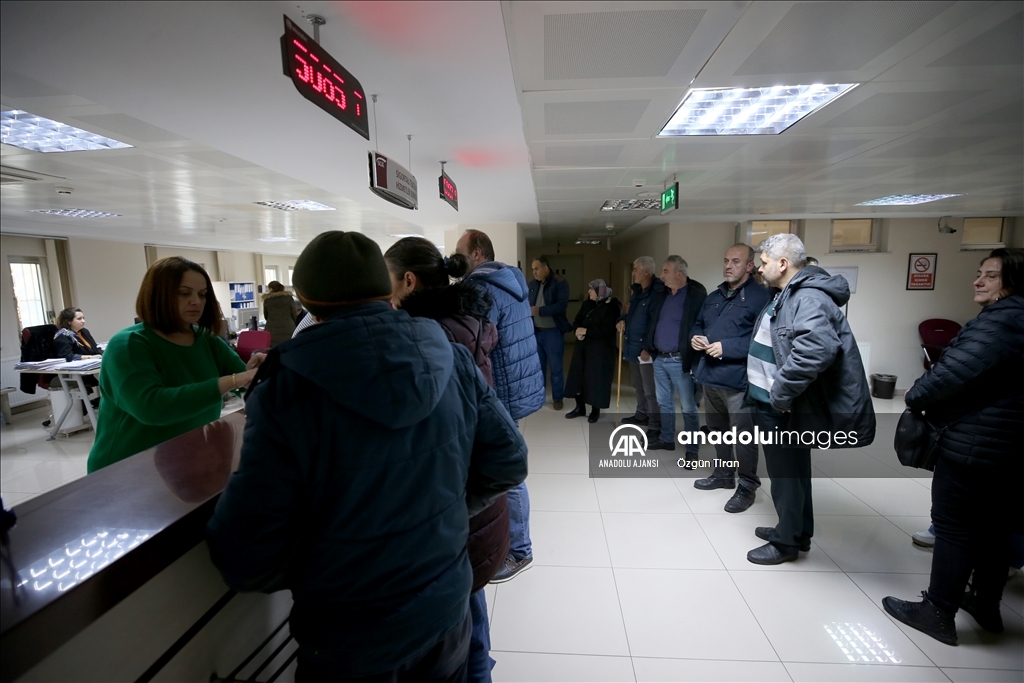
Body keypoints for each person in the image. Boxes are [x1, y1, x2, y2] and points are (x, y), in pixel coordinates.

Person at [207, 231, 528, 682]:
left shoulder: (288, 387)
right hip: (444, 611)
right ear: (387, 288)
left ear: (306, 300)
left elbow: (244, 551)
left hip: (350, 632)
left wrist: (320, 564)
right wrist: (447, 513)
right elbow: (509, 459)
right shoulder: (449, 356)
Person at [883, 248, 1023, 646]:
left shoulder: (999, 322)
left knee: (954, 526)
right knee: (996, 528)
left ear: (1011, 282)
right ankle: (985, 603)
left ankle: (938, 611)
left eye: (991, 276)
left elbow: (949, 375)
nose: (978, 281)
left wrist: (916, 394)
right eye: (980, 273)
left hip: (977, 443)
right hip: (1011, 446)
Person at [384, 236, 504, 683]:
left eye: (387, 282)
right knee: (470, 609)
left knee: (459, 629)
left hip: (452, 504)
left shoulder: (424, 340)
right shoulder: (466, 322)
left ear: (408, 281)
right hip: (475, 500)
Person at [745, 234, 874, 565]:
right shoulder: (787, 294)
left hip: (784, 405)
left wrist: (780, 393)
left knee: (786, 473)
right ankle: (796, 531)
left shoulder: (808, 298)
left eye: (763, 262)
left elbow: (816, 350)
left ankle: (786, 543)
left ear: (783, 264)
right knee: (794, 471)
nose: (759, 268)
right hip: (777, 402)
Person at [87, 257, 263, 473]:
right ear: (159, 295)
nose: (196, 301)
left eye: (202, 294)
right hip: (127, 468)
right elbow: (152, 407)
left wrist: (255, 370)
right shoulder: (129, 344)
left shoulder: (207, 340)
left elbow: (244, 382)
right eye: (184, 293)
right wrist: (234, 380)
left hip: (185, 459)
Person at [456, 229, 544, 583]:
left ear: (476, 253)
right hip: (518, 380)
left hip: (503, 386)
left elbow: (478, 339)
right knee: (506, 464)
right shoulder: (510, 281)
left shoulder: (481, 287)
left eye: (459, 251)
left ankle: (520, 550)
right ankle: (510, 540)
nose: (454, 257)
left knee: (508, 471)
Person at [689, 244, 771, 513]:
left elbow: (764, 340)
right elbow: (699, 323)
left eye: (736, 261)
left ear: (750, 266)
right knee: (718, 432)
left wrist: (728, 348)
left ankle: (747, 485)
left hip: (739, 381)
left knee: (743, 437)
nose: (728, 266)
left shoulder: (762, 298)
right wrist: (696, 337)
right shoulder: (714, 296)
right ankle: (723, 475)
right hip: (710, 377)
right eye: (726, 260)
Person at [642, 256, 708, 465]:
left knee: (688, 406)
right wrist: (647, 346)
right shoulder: (662, 295)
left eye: (665, 271)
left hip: (681, 360)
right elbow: (652, 321)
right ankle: (666, 438)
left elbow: (702, 326)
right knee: (664, 402)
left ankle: (692, 449)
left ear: (679, 275)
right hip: (659, 358)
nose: (661, 275)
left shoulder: (695, 296)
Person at [617, 257, 664, 435]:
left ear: (646, 272)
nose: (633, 272)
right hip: (633, 345)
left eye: (635, 269)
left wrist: (648, 347)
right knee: (638, 385)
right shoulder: (637, 291)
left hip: (646, 349)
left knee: (650, 389)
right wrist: (621, 320)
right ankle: (641, 413)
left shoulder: (657, 292)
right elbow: (630, 313)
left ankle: (655, 423)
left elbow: (655, 323)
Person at [564, 280, 621, 423]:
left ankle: (595, 410)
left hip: (600, 351)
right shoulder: (587, 304)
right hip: (583, 347)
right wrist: (578, 330)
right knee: (579, 376)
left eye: (591, 289)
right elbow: (577, 320)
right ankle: (580, 407)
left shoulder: (612, 307)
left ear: (600, 291)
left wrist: (587, 331)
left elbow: (607, 329)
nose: (588, 292)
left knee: (596, 379)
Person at [528, 255, 571, 410]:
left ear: (546, 268)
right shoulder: (532, 285)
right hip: (536, 332)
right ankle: (539, 397)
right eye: (533, 269)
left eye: (537, 268)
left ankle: (557, 398)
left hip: (553, 332)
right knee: (538, 368)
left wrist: (540, 311)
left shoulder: (559, 282)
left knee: (556, 367)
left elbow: (561, 305)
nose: (534, 272)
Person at [262, 280, 301, 347]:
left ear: (271, 288)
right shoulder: (289, 298)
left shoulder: (267, 300)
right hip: (288, 328)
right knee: (289, 348)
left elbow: (266, 316)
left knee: (274, 351)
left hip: (272, 329)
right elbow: (293, 314)